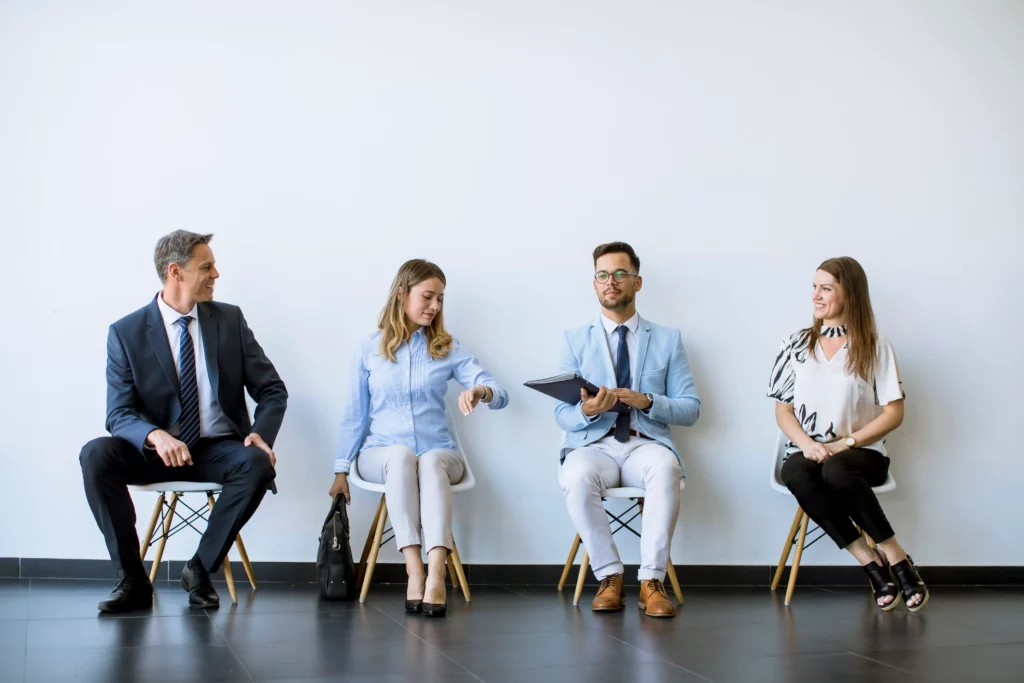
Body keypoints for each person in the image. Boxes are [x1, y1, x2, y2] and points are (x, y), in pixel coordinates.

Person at [80, 230, 287, 612]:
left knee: (257, 463)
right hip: (156, 452)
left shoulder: (229, 320)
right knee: (95, 455)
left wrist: (260, 433)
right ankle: (131, 579)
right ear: (176, 272)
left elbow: (273, 389)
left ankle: (200, 569)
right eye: (206, 267)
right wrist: (154, 435)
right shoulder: (125, 333)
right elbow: (118, 413)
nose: (216, 274)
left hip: (216, 448)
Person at [330, 259, 507, 617]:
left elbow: (499, 392)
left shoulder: (448, 347)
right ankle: (414, 570)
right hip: (380, 455)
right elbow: (355, 415)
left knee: (427, 460)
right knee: (400, 456)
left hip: (439, 454)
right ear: (401, 294)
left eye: (440, 299)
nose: (435, 306)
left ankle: (436, 574)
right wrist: (340, 470)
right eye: (428, 296)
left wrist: (479, 393)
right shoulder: (369, 349)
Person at [769, 256, 928, 612]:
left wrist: (845, 444)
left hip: (863, 454)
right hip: (811, 452)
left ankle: (895, 555)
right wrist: (808, 445)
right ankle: (871, 563)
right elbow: (783, 410)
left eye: (826, 288)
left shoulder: (874, 344)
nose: (816, 296)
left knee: (836, 470)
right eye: (814, 287)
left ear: (850, 294)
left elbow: (894, 413)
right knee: (794, 469)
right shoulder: (794, 344)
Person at [554, 242, 700, 618]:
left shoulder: (667, 339)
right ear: (594, 284)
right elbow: (561, 415)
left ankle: (652, 580)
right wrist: (586, 410)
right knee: (575, 474)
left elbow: (690, 409)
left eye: (620, 274)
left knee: (665, 467)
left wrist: (647, 400)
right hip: (593, 445)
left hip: (644, 443)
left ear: (637, 282)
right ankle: (609, 576)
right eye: (603, 275)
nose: (611, 282)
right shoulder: (574, 338)